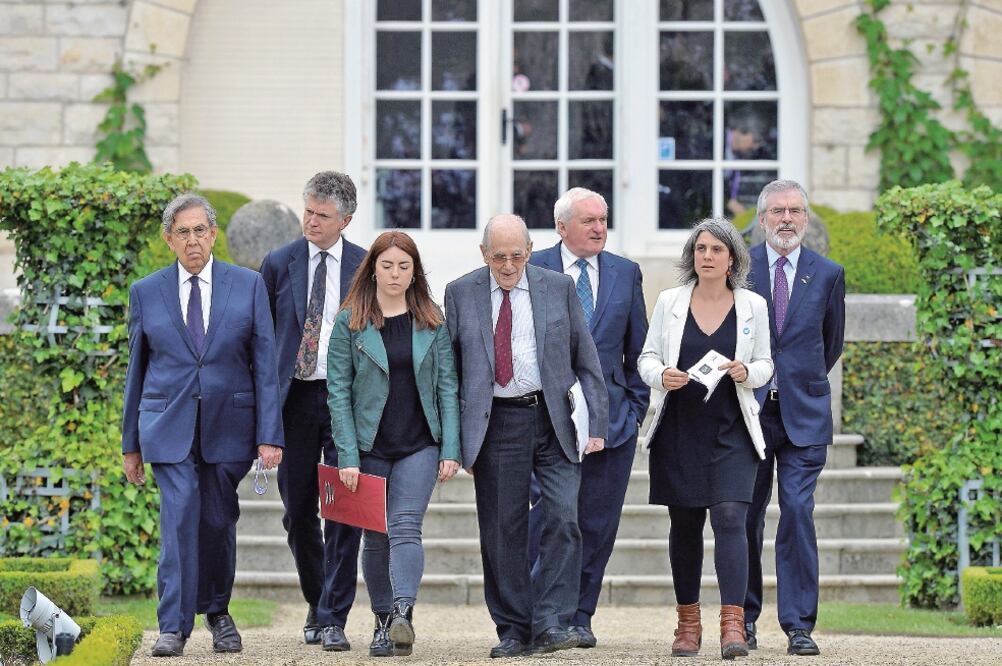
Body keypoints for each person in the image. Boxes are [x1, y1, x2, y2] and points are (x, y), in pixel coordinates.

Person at [122, 193, 284, 657]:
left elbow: (264, 364)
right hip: (166, 427)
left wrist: (269, 435)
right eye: (182, 232)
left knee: (217, 520)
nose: (192, 240)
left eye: (200, 231)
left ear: (214, 235)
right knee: (179, 517)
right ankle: (172, 625)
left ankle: (217, 612)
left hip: (228, 426)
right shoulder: (146, 292)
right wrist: (130, 444)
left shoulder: (247, 285)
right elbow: (137, 370)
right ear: (168, 239)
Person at [444, 214, 609, 658]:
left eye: (517, 255)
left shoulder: (558, 287)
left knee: (563, 518)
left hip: (553, 417)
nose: (508, 264)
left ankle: (552, 620)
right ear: (484, 255)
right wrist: (452, 440)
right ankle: (514, 628)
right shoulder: (461, 293)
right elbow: (451, 372)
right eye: (499, 256)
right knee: (503, 530)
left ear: (530, 252)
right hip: (496, 421)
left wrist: (596, 425)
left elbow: (586, 359)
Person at [638, 218, 774, 660]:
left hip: (733, 429)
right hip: (680, 430)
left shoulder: (752, 305)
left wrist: (746, 372)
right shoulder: (670, 301)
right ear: (691, 256)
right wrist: (662, 375)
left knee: (733, 519)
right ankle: (688, 624)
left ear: (732, 257)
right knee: (685, 525)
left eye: (717, 249)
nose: (708, 256)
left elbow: (767, 364)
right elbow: (647, 358)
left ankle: (734, 625)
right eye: (701, 249)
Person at [326, 231, 461, 658]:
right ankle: (383, 622)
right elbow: (338, 394)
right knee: (376, 536)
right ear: (372, 269)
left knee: (405, 526)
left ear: (414, 271)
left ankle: (403, 613)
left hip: (419, 444)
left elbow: (446, 386)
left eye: (404, 266)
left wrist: (451, 447)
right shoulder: (350, 321)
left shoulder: (431, 318)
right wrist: (347, 456)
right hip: (368, 447)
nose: (395, 274)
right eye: (387, 265)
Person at [526, 188, 649, 648]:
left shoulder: (625, 272)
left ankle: (579, 615)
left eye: (603, 219)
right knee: (549, 520)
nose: (599, 228)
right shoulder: (533, 266)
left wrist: (634, 408)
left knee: (597, 525)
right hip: (547, 421)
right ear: (562, 227)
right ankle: (539, 613)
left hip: (611, 421)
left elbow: (637, 349)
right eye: (588, 221)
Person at [259, 171, 367, 651]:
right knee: (298, 509)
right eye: (307, 211)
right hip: (295, 400)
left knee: (343, 509)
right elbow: (261, 342)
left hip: (344, 398)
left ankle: (332, 615)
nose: (311, 222)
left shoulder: (365, 266)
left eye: (322, 216)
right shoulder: (278, 263)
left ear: (345, 219)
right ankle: (316, 597)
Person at [743, 180, 845, 656]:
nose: (787, 218)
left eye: (795, 211)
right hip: (749, 413)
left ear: (805, 218)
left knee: (799, 513)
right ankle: (741, 619)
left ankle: (799, 624)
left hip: (803, 413)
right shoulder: (739, 270)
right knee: (745, 515)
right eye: (778, 210)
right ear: (762, 218)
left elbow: (830, 344)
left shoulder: (828, 274)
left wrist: (794, 381)